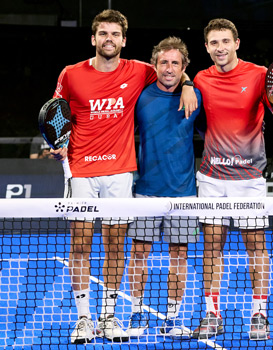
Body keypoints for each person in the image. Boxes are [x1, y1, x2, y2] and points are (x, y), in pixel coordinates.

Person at [49, 9, 197, 344]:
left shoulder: (139, 71)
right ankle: (84, 319)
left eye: (115, 34)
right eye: (103, 34)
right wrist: (58, 144)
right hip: (81, 173)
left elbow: (172, 70)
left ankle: (110, 316)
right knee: (80, 244)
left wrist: (188, 83)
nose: (109, 39)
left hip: (119, 173)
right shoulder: (71, 74)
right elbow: (56, 114)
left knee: (116, 244)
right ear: (93, 38)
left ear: (124, 40)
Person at [191, 18, 273, 341]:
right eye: (213, 43)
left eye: (225, 41)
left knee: (256, 247)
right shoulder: (201, 78)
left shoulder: (258, 75)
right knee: (212, 247)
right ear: (207, 47)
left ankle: (259, 314)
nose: (220, 48)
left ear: (236, 43)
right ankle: (212, 314)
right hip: (211, 177)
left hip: (249, 178)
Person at [125, 36, 202, 339]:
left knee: (178, 257)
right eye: (164, 62)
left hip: (183, 193)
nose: (169, 68)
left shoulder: (196, 98)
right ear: (154, 64)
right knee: (138, 254)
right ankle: (136, 313)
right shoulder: (140, 97)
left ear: (184, 67)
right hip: (146, 190)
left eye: (176, 63)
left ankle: (172, 317)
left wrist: (189, 84)